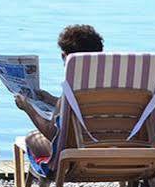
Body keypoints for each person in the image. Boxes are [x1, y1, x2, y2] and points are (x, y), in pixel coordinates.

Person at [15, 24, 104, 159]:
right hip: (115, 152)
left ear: (65, 57)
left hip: (74, 157)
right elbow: (85, 109)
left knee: (31, 138)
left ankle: (45, 178)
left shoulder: (73, 90)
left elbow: (51, 134)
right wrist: (51, 100)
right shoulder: (112, 85)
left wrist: (28, 108)